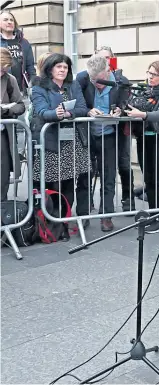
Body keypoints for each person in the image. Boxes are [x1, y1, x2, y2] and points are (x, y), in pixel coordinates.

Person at [30, 53, 91, 241]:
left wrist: (69, 112)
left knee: (68, 185)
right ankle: (49, 223)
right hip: (51, 143)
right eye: (59, 67)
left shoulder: (72, 85)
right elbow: (41, 111)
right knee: (50, 185)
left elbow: (83, 108)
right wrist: (55, 114)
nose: (63, 70)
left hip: (72, 143)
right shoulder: (39, 86)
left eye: (65, 67)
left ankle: (64, 223)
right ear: (50, 69)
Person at [76, 46, 135, 213]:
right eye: (94, 81)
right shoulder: (82, 79)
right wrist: (88, 111)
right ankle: (83, 214)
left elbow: (126, 104)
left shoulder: (120, 81)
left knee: (108, 176)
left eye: (101, 80)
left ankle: (106, 214)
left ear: (108, 71)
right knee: (84, 175)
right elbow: (77, 104)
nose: (98, 85)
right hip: (87, 134)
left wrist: (120, 111)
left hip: (110, 135)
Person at [125, 60, 159, 233]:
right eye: (149, 73)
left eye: (154, 75)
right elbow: (135, 107)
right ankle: (153, 216)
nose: (150, 77)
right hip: (143, 137)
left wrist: (143, 114)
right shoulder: (146, 91)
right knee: (148, 180)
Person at [0, 47, 25, 201]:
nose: (2, 72)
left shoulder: (10, 79)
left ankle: (2, 209)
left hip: (2, 133)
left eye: (4, 69)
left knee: (2, 174)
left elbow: (20, 105)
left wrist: (6, 111)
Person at [0, 10, 35, 94]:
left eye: (11, 20)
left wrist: (33, 85)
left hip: (21, 90)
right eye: (5, 20)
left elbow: (30, 67)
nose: (9, 22)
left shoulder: (24, 43)